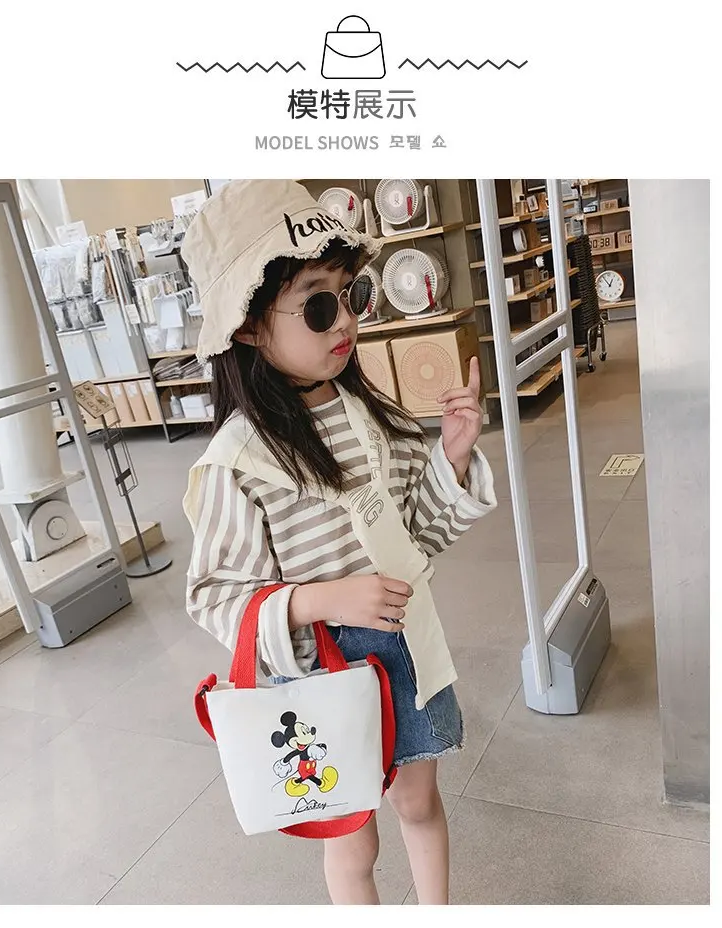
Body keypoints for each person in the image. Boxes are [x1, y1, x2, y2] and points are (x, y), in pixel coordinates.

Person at [182, 180, 497, 905]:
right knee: (353, 839)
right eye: (317, 306)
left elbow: (418, 539)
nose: (345, 321)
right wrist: (325, 600)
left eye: (350, 295)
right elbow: (216, 597)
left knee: (419, 802)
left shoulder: (375, 421)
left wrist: (450, 458)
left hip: (406, 652)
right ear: (248, 327)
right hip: (317, 674)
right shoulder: (240, 461)